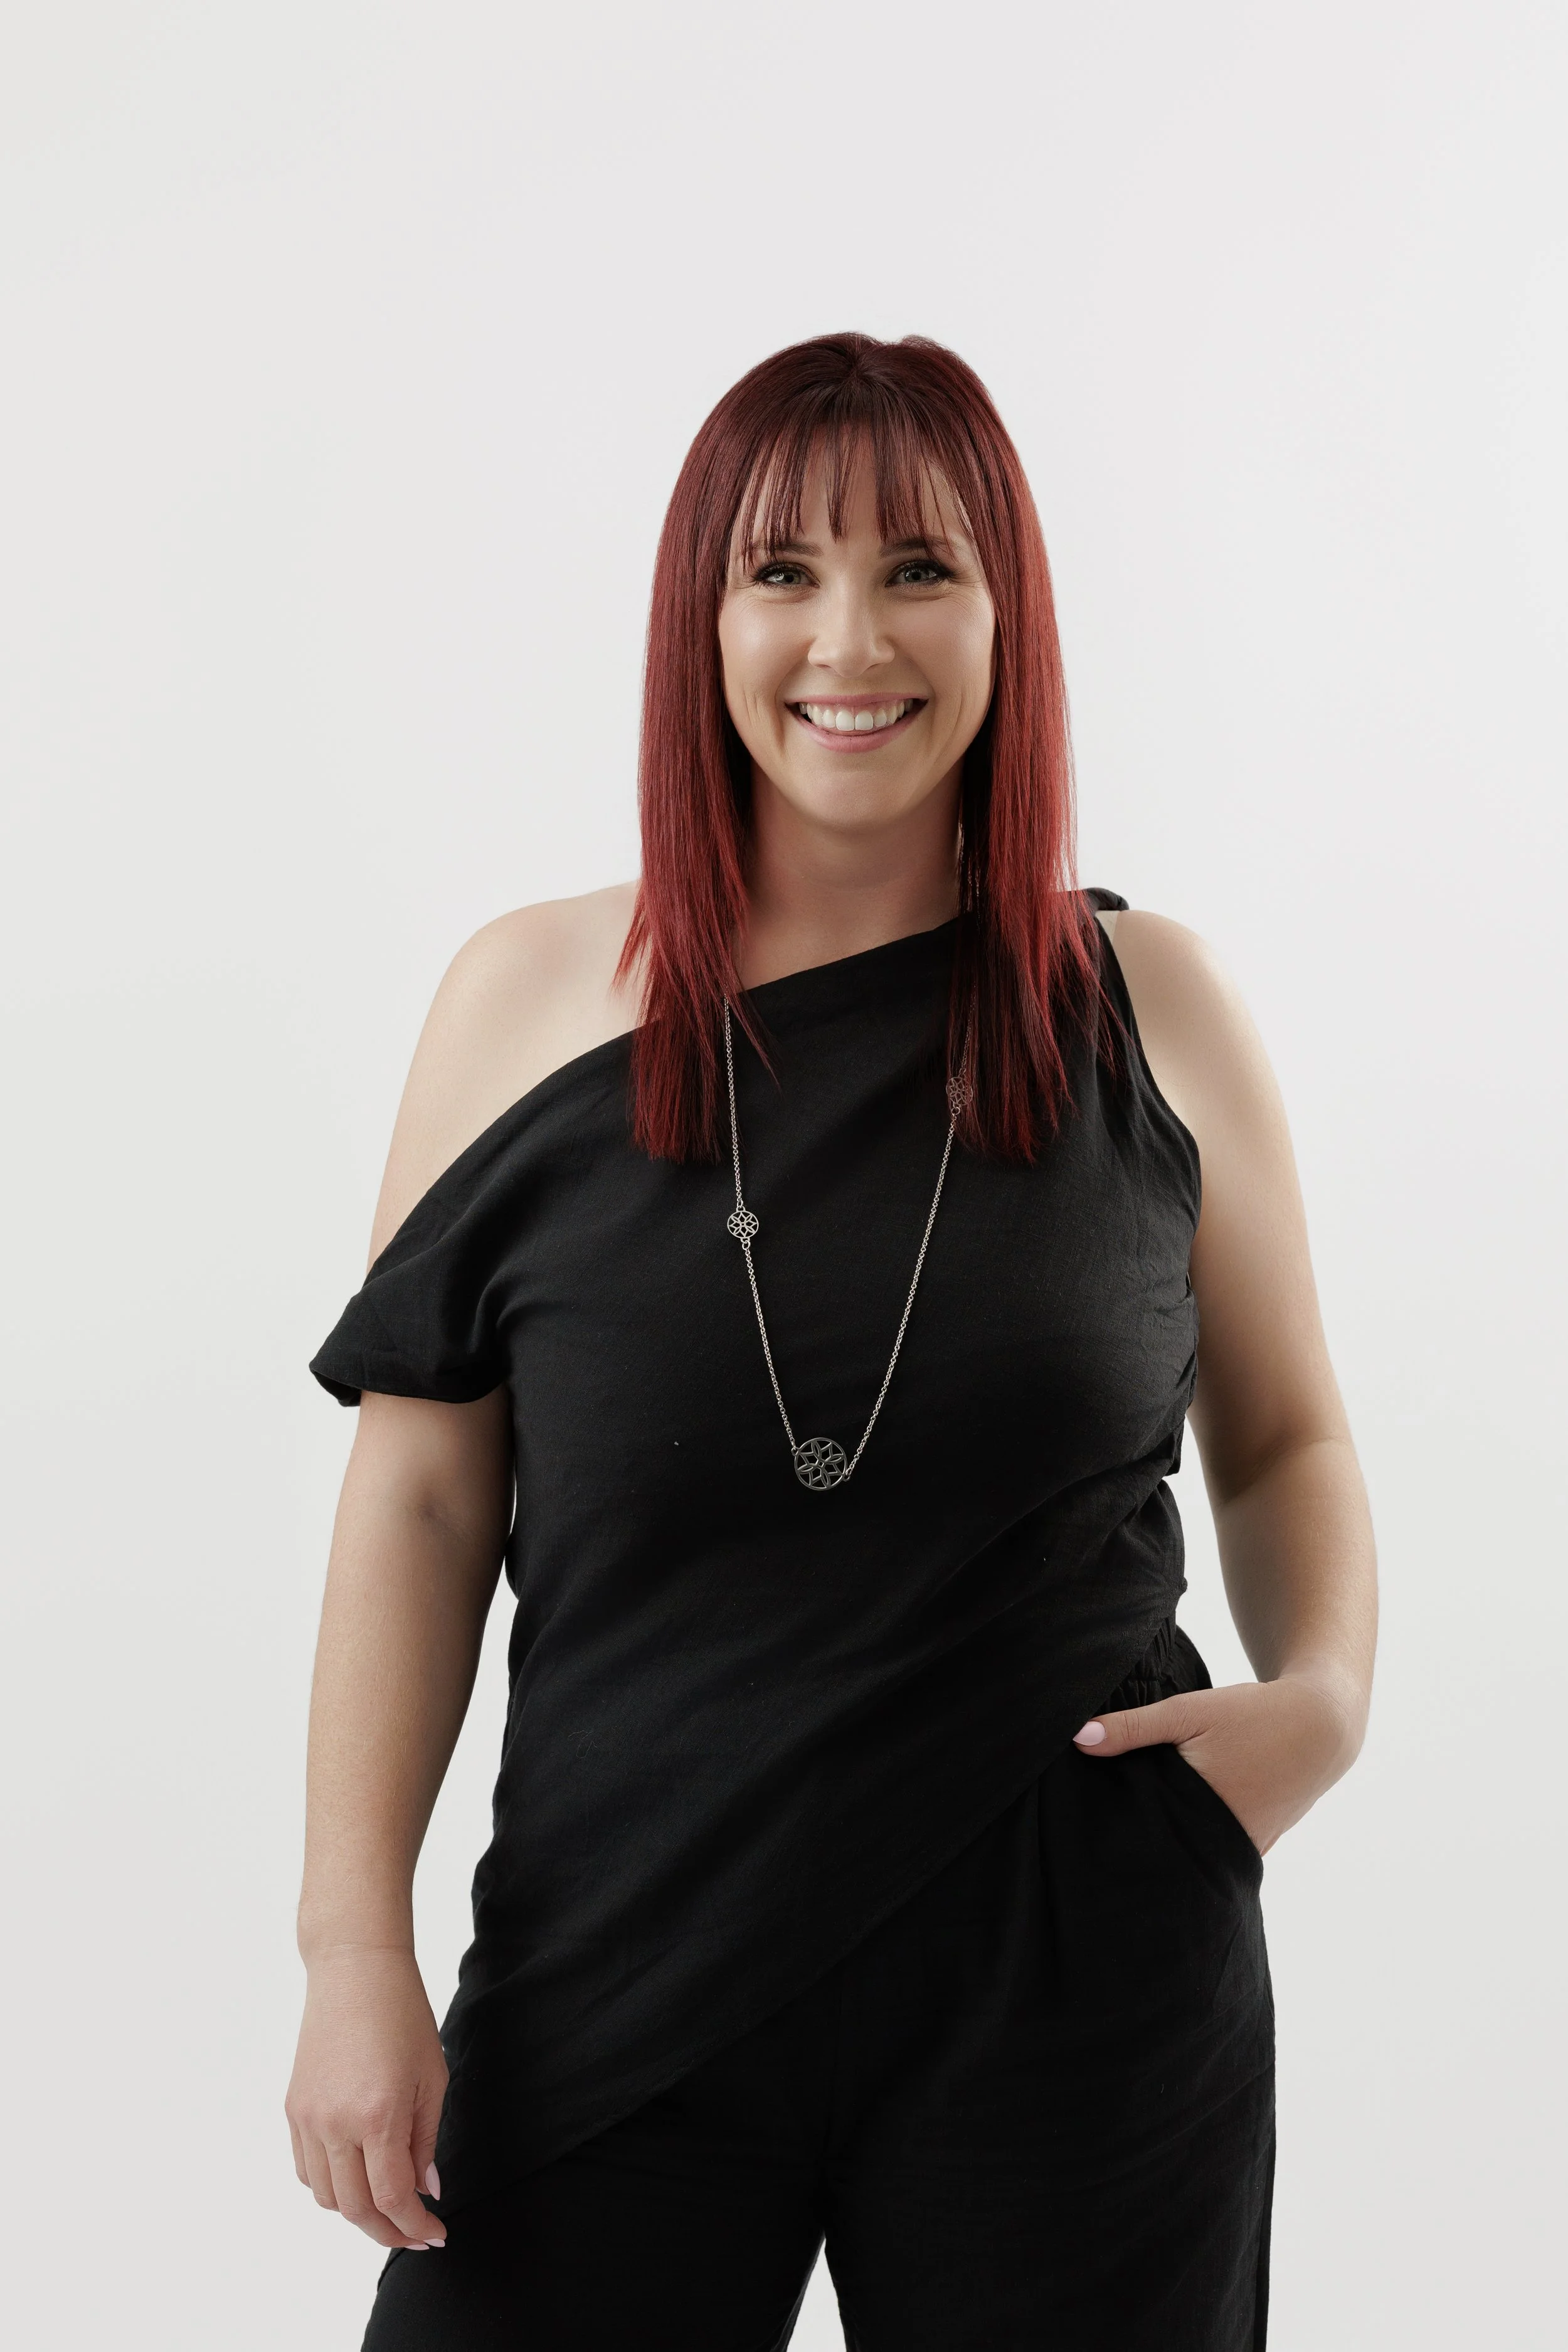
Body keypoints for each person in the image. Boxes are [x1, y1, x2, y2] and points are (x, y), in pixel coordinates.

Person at [286, 332, 1376, 2351]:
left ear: (1006, 614)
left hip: (1072, 1948)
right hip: (621, 1938)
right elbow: (423, 1501)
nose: (847, 637)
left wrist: (1321, 1691)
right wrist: (352, 1947)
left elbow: (1286, 1434)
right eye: (778, 571)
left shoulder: (1153, 1004)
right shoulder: (527, 997)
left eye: (919, 567)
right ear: (697, 616)